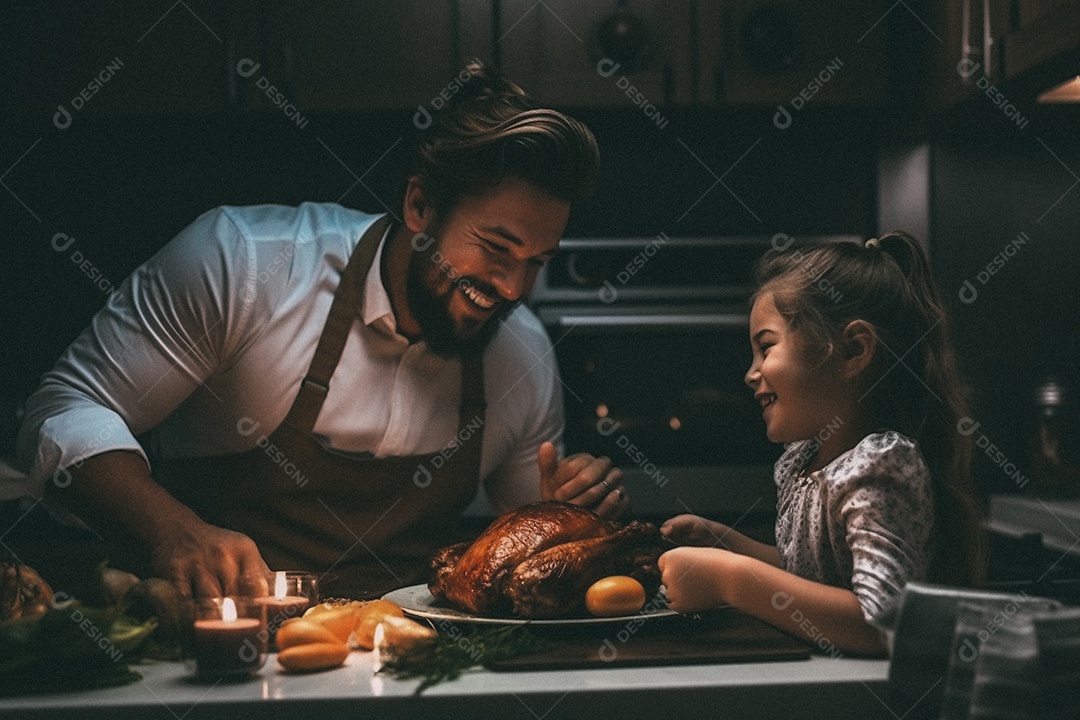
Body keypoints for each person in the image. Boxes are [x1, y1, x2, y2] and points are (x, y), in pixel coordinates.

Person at [15, 61, 627, 599]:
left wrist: (570, 517)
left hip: (419, 675)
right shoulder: (245, 264)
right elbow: (61, 410)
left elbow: (521, 556)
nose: (514, 289)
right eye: (497, 247)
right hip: (206, 663)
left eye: (537, 263)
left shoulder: (521, 354)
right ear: (419, 207)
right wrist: (173, 531)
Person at [658, 232, 986, 655]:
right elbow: (810, 579)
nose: (751, 373)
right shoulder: (803, 463)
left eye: (766, 347)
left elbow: (881, 623)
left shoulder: (880, 466)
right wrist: (724, 544)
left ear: (852, 351)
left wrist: (730, 578)